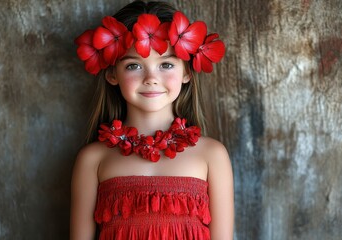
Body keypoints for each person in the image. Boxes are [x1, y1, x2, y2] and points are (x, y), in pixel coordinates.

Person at [70, 1, 234, 239]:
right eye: (134, 65)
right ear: (112, 74)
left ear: (187, 72)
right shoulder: (93, 159)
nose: (151, 78)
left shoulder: (212, 155)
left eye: (166, 64)